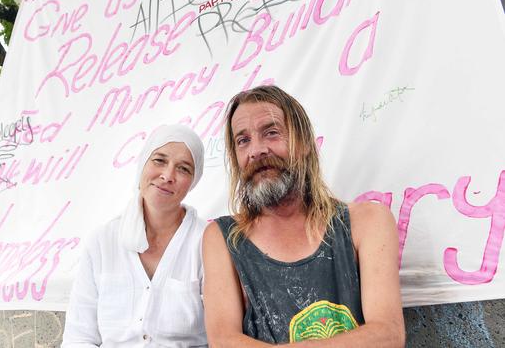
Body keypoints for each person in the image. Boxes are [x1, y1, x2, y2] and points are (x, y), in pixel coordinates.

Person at [202, 85, 405, 346]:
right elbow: (223, 341)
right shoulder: (223, 238)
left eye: (271, 133)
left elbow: (388, 335)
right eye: (243, 141)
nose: (256, 150)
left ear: (305, 143)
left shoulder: (367, 222)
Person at [62, 124, 208, 347]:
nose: (167, 175)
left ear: (193, 181)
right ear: (143, 164)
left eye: (183, 168)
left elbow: (222, 335)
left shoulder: (207, 242)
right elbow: (79, 338)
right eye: (159, 160)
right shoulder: (102, 242)